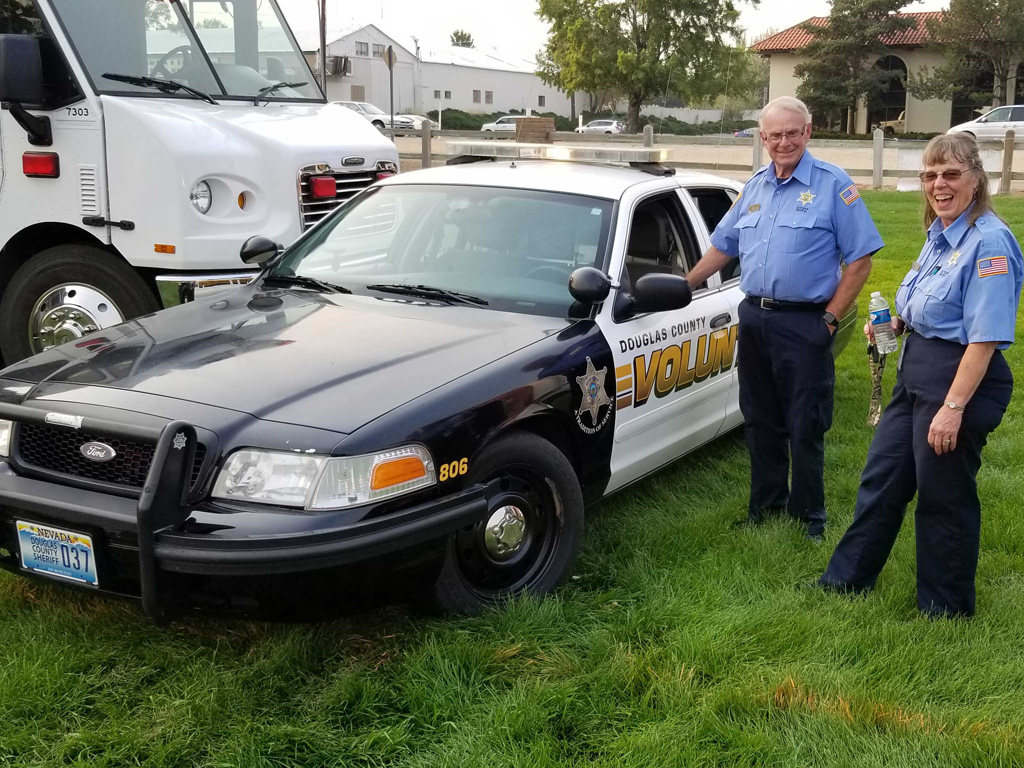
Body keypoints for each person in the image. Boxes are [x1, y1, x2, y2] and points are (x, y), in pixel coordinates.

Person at [818, 132, 1023, 618]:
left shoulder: (989, 242)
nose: (939, 184)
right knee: (882, 480)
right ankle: (844, 584)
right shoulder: (940, 232)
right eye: (930, 175)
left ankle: (945, 610)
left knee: (943, 496)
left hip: (960, 380)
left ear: (977, 179)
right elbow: (929, 305)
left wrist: (953, 409)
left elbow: (985, 337)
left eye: (951, 174)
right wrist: (896, 322)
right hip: (917, 372)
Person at [685, 96, 883, 539]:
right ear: (763, 139)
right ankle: (765, 508)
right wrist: (687, 283)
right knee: (760, 417)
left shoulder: (834, 185)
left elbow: (861, 261)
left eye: (793, 132)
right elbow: (724, 245)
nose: (784, 142)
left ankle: (809, 518)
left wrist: (830, 320)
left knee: (805, 423)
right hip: (755, 319)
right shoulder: (754, 187)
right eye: (775, 135)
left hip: (806, 323)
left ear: (808, 132)